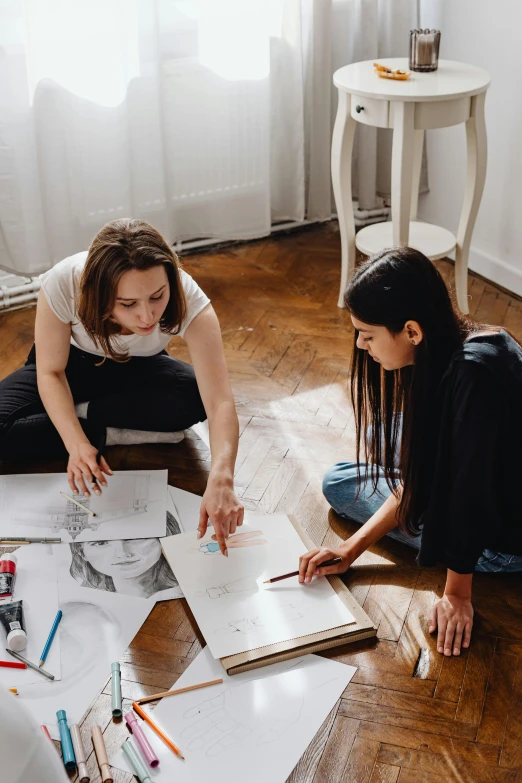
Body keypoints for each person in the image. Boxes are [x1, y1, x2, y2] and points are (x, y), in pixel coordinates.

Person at [298, 247, 522, 657]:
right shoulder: (473, 338)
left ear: (412, 332)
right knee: (380, 431)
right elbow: (431, 472)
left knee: (339, 485)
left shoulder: (472, 379)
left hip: (504, 541)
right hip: (498, 473)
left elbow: (468, 499)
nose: (362, 345)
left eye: (368, 334)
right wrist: (350, 551)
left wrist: (457, 594)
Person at [0, 218, 243, 553]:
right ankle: (108, 430)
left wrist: (222, 476)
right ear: (100, 297)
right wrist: (76, 444)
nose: (147, 316)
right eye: (128, 304)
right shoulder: (64, 282)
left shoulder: (188, 297)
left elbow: (220, 403)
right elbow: (50, 373)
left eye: (157, 296)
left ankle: (77, 413)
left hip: (137, 369)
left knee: (193, 398)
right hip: (70, 366)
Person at [69, 511, 180, 599]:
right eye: (100, 543)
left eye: (135, 538)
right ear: (81, 552)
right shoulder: (86, 603)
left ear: (164, 538)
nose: (121, 553)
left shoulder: (188, 589)